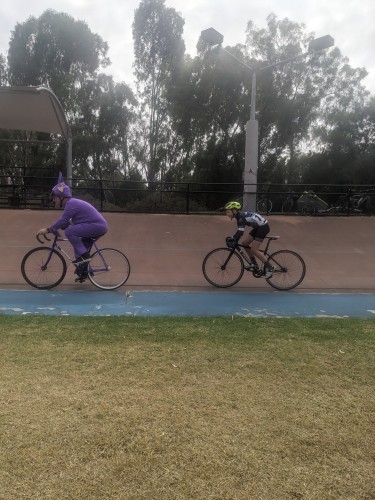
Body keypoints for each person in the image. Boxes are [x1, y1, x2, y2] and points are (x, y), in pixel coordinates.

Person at [37, 173, 109, 280]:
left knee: (70, 233)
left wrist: (48, 229)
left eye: (54, 198)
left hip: (97, 226)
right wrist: (55, 229)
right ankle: (84, 272)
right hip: (98, 226)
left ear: (61, 197)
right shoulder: (71, 204)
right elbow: (65, 223)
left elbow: (62, 221)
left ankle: (85, 257)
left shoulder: (71, 204)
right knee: (79, 250)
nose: (53, 200)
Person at [224, 201, 274, 277]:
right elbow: (239, 232)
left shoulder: (240, 218)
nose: (227, 214)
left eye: (228, 212)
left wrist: (233, 239)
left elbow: (240, 232)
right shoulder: (239, 216)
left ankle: (270, 267)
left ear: (234, 211)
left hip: (263, 227)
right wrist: (233, 239)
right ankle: (254, 264)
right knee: (245, 244)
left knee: (254, 249)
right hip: (258, 227)